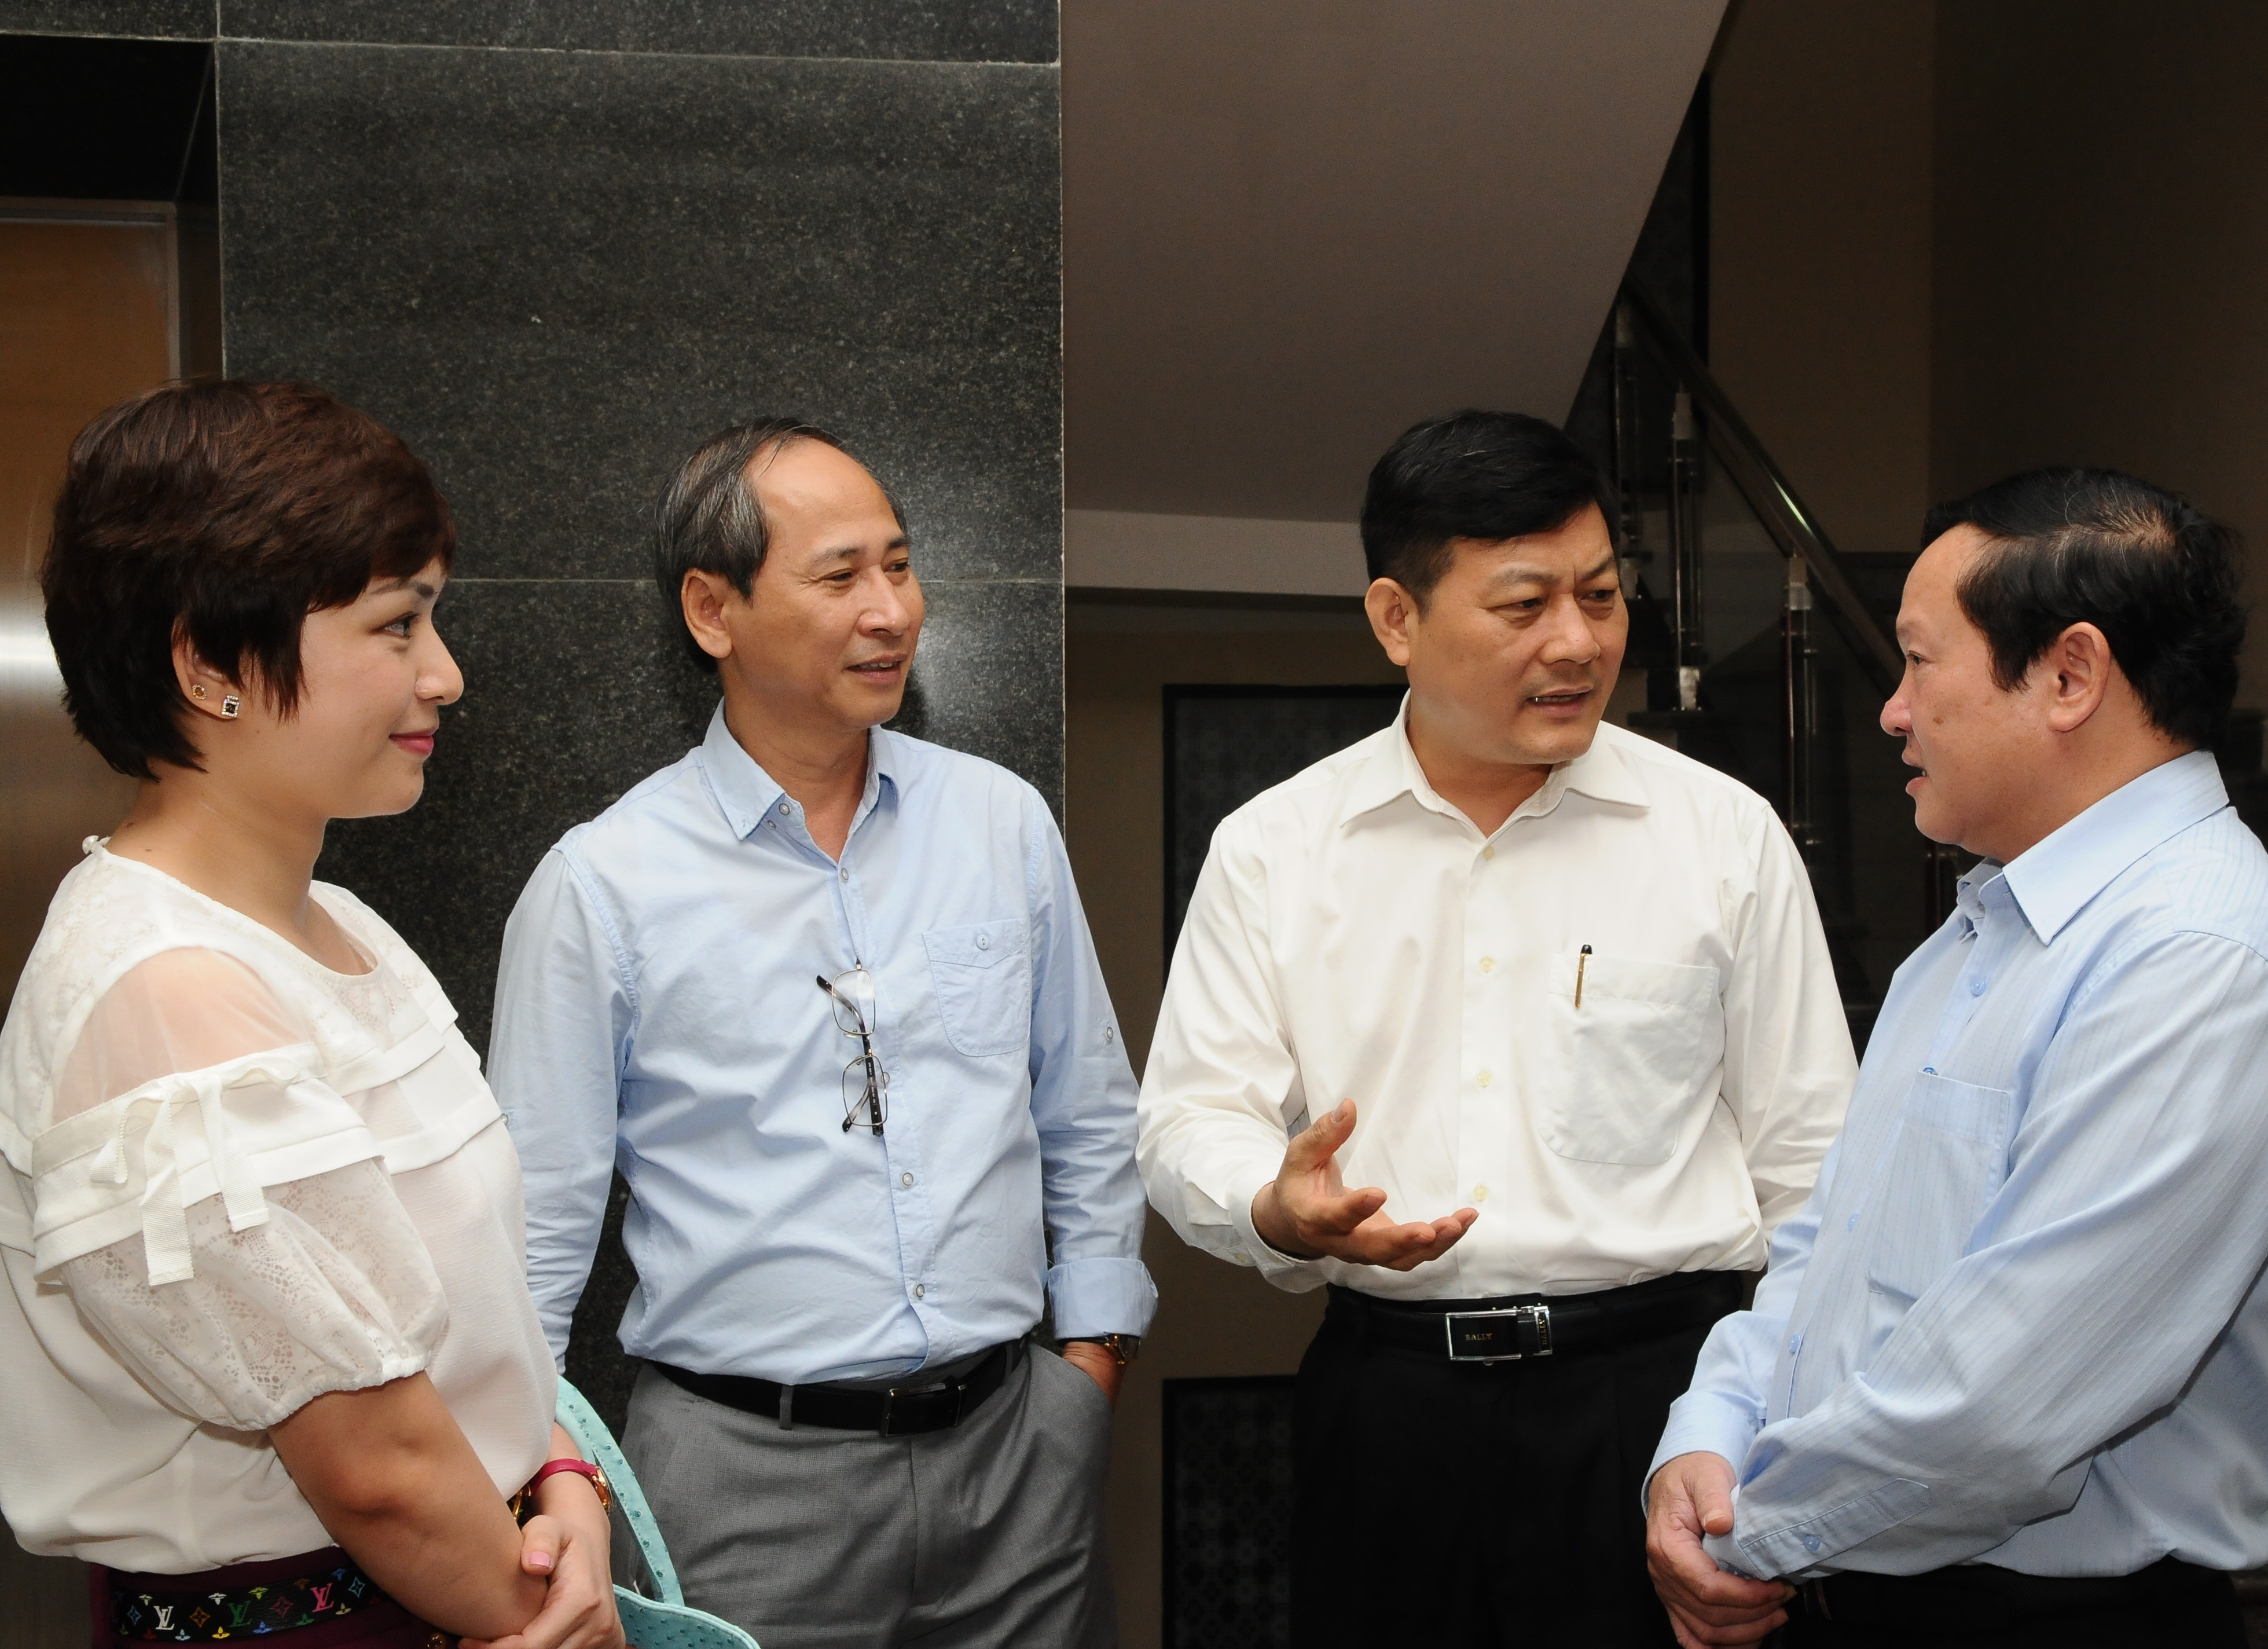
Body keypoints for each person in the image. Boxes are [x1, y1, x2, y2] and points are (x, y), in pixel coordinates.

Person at [1137, 409, 1856, 1642]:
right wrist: (1272, 1205)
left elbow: (1815, 1171)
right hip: (1389, 1411)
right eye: (1524, 605)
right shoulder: (1276, 848)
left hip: (1659, 1404)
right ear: (1395, 619)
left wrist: (1765, 1426)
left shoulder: (1721, 836)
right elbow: (1188, 1114)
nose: (1577, 641)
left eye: (1601, 595)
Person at [1643, 468, 2268, 1649]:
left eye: (1920, 662)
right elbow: (1829, 1250)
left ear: (2069, 676)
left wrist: (1742, 1533)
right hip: (1859, 1580)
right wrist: (1705, 1437)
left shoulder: (2202, 964)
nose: (1891, 710)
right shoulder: (1973, 937)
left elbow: (2001, 1408)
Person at [491, 419, 1154, 1649]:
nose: (890, 610)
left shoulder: (999, 822)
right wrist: (547, 1471)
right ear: (713, 609)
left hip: (1018, 1451)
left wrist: (1090, 1367)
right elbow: (530, 1231)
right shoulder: (604, 884)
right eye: (840, 574)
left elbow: (1086, 1109)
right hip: (743, 1480)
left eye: (899, 565)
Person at [0, 380, 622, 1649]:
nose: (443, 674)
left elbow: (470, 1327)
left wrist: (563, 1477)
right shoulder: (162, 986)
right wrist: (559, 1618)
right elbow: (377, 1470)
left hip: (477, 1565)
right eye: (396, 625)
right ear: (209, 664)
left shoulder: (338, 921)